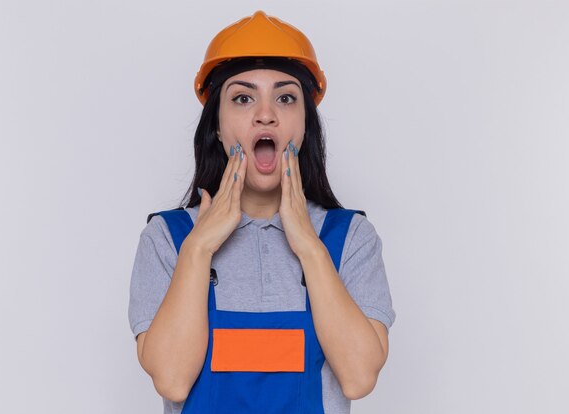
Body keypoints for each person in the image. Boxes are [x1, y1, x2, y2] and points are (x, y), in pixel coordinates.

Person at [128, 10, 396, 414]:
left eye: (286, 98)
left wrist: (308, 245)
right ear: (216, 126)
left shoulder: (349, 238)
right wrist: (199, 247)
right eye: (242, 97)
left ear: (305, 125)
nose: (265, 113)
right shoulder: (169, 238)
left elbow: (359, 377)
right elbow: (171, 379)